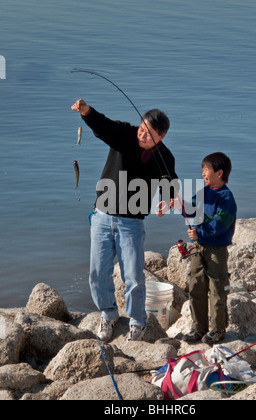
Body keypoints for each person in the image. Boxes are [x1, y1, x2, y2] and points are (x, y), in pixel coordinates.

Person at [71, 99, 178, 342]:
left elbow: (169, 181)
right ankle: (108, 313)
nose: (142, 134)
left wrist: (167, 200)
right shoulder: (124, 134)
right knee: (98, 273)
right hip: (101, 217)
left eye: (149, 134)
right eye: (141, 128)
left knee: (133, 276)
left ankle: (138, 322)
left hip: (131, 223)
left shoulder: (164, 157)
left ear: (161, 137)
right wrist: (86, 111)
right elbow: (102, 125)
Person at [172, 152, 237, 345]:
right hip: (198, 249)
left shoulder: (226, 198)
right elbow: (192, 208)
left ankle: (217, 330)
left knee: (217, 289)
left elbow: (219, 225)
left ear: (219, 173)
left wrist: (200, 233)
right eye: (202, 170)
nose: (202, 174)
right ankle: (199, 328)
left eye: (205, 170)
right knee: (195, 286)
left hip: (217, 251)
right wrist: (177, 204)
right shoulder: (204, 192)